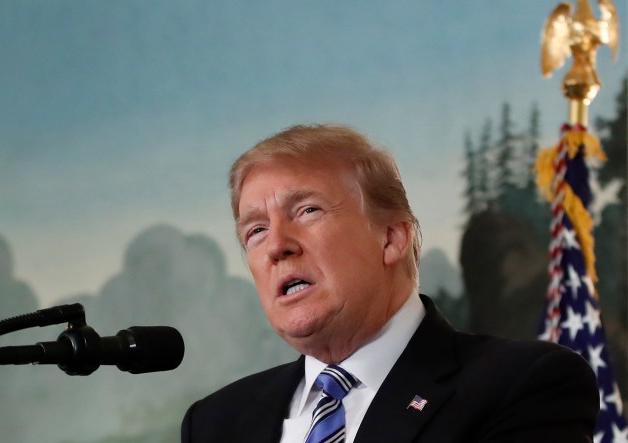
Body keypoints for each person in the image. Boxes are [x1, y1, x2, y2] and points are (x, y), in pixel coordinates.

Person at [181, 124, 599, 443]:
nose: (276, 246)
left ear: (392, 237)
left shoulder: (522, 384)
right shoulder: (216, 423)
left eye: (307, 210)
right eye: (254, 231)